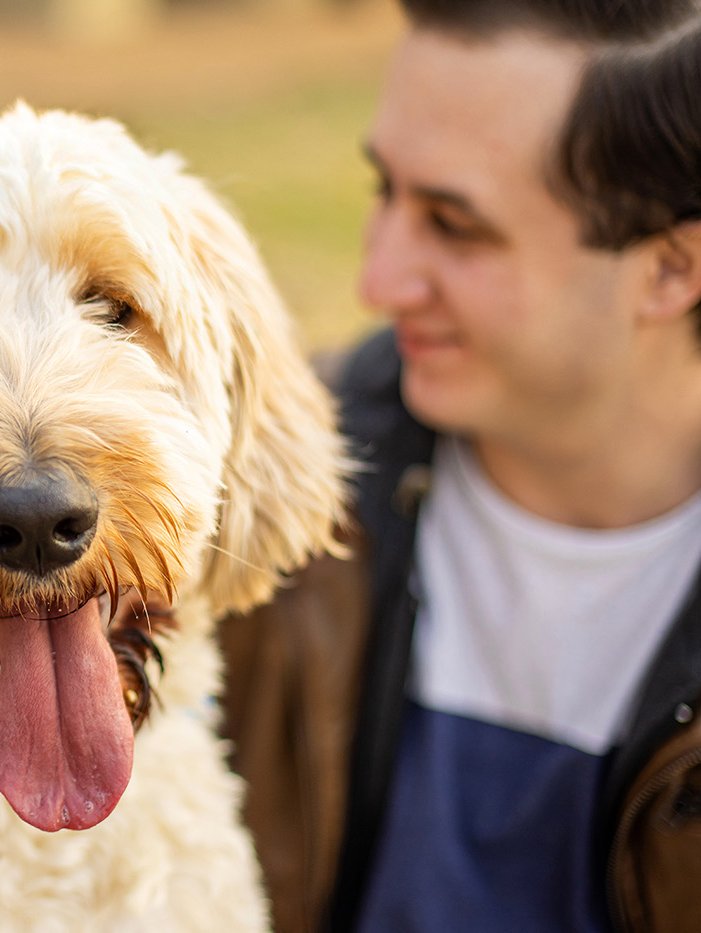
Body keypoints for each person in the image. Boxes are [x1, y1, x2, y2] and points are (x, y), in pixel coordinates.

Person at [220, 0, 701, 930]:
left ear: (673, 269)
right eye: (385, 192)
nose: (379, 279)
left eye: (455, 225)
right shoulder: (257, 499)